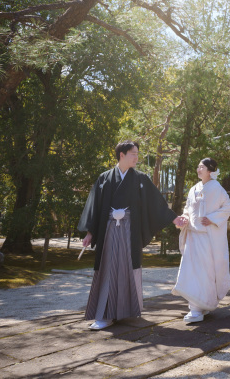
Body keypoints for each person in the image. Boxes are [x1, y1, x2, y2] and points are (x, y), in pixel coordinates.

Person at [78, 140, 178, 330]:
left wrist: (173, 219)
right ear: (121, 155)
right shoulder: (105, 178)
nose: (137, 157)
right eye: (133, 153)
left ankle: (125, 311)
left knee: (127, 268)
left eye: (138, 154)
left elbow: (156, 204)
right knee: (108, 268)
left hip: (129, 230)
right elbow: (95, 207)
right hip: (109, 229)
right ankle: (105, 315)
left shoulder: (140, 179)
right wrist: (90, 233)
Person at [172, 157, 230, 323]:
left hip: (207, 237)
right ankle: (196, 307)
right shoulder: (193, 189)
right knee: (191, 270)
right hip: (192, 235)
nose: (199, 169)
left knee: (205, 271)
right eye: (198, 166)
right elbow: (187, 209)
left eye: (202, 167)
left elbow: (227, 207)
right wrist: (184, 218)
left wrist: (212, 218)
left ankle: (201, 306)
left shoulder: (217, 188)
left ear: (210, 170)